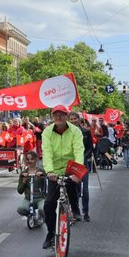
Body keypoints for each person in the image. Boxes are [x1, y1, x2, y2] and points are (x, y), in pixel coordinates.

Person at [41, 105, 85, 249]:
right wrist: (49, 172)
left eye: (62, 114)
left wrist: (77, 173)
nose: (58, 117)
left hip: (70, 167)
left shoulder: (75, 131)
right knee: (48, 205)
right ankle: (50, 232)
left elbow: (79, 151)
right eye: (56, 115)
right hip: (54, 170)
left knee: (72, 184)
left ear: (66, 116)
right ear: (52, 117)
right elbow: (46, 152)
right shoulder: (47, 132)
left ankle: (75, 208)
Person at [68, 111, 93, 222]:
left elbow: (90, 148)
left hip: (83, 164)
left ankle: (86, 212)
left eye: (75, 119)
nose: (73, 121)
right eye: (71, 119)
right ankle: (75, 211)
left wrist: (82, 158)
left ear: (79, 119)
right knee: (74, 189)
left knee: (85, 189)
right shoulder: (66, 133)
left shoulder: (86, 132)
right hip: (71, 165)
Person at [16, 151, 45, 221]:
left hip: (40, 198)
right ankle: (32, 215)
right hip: (28, 198)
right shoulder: (23, 173)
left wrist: (41, 178)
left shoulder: (42, 171)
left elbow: (47, 186)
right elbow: (19, 191)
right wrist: (24, 181)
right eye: (28, 159)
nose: (30, 161)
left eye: (32, 159)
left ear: (36, 159)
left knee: (43, 209)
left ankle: (42, 218)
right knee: (20, 209)